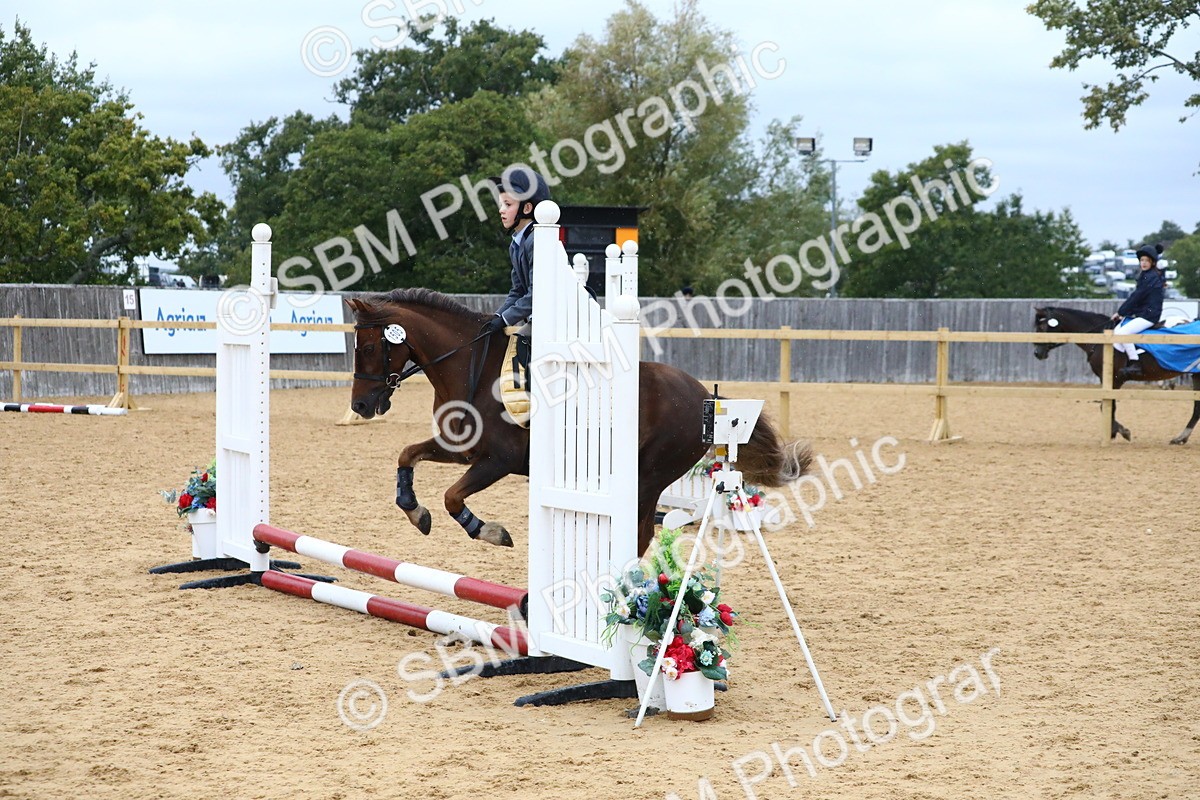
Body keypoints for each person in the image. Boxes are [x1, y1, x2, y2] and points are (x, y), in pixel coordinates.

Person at [479, 167, 553, 337]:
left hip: (562, 319)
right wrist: (496, 317)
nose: (501, 210)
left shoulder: (536, 241)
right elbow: (518, 291)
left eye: (508, 204)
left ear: (527, 208)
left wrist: (505, 320)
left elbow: (537, 294)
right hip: (544, 318)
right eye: (501, 204)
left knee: (518, 343)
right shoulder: (517, 243)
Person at [1111, 243, 1165, 381]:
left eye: (1147, 260)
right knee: (1118, 330)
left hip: (1149, 315)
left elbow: (1137, 297)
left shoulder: (1150, 277)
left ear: (1153, 262)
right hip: (1144, 313)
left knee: (1123, 333)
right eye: (1142, 260)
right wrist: (1126, 313)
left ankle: (1135, 363)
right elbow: (1139, 299)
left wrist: (1121, 312)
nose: (1144, 263)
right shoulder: (1147, 275)